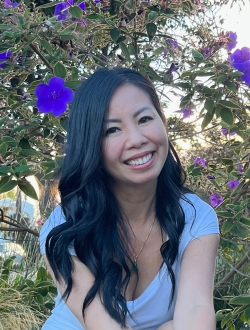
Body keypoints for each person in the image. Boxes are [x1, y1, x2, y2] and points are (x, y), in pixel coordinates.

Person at [40, 67, 220, 330]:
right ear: (91, 146)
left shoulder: (196, 219)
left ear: (163, 122)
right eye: (112, 130)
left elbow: (196, 311)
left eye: (145, 119)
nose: (136, 140)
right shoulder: (64, 228)